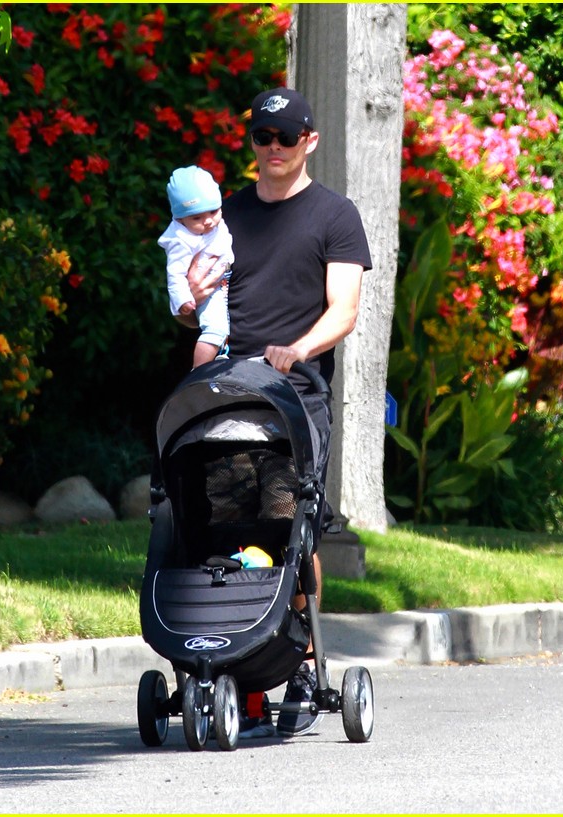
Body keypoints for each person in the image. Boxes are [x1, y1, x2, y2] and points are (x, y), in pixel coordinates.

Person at [181, 87, 372, 738]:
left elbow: (343, 308)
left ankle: (304, 655)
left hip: (297, 391)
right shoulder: (228, 213)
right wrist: (190, 301)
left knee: (292, 523)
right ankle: (240, 654)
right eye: (263, 137)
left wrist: (299, 349)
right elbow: (196, 302)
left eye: (285, 138)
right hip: (232, 391)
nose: (273, 149)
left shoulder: (335, 216)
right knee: (227, 521)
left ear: (309, 141)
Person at [159, 165, 234, 368]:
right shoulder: (180, 240)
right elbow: (174, 274)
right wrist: (183, 299)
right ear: (179, 219)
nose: (208, 221)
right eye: (197, 218)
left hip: (222, 281)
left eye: (213, 211)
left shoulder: (215, 223)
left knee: (221, 330)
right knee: (216, 330)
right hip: (208, 291)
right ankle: (197, 372)